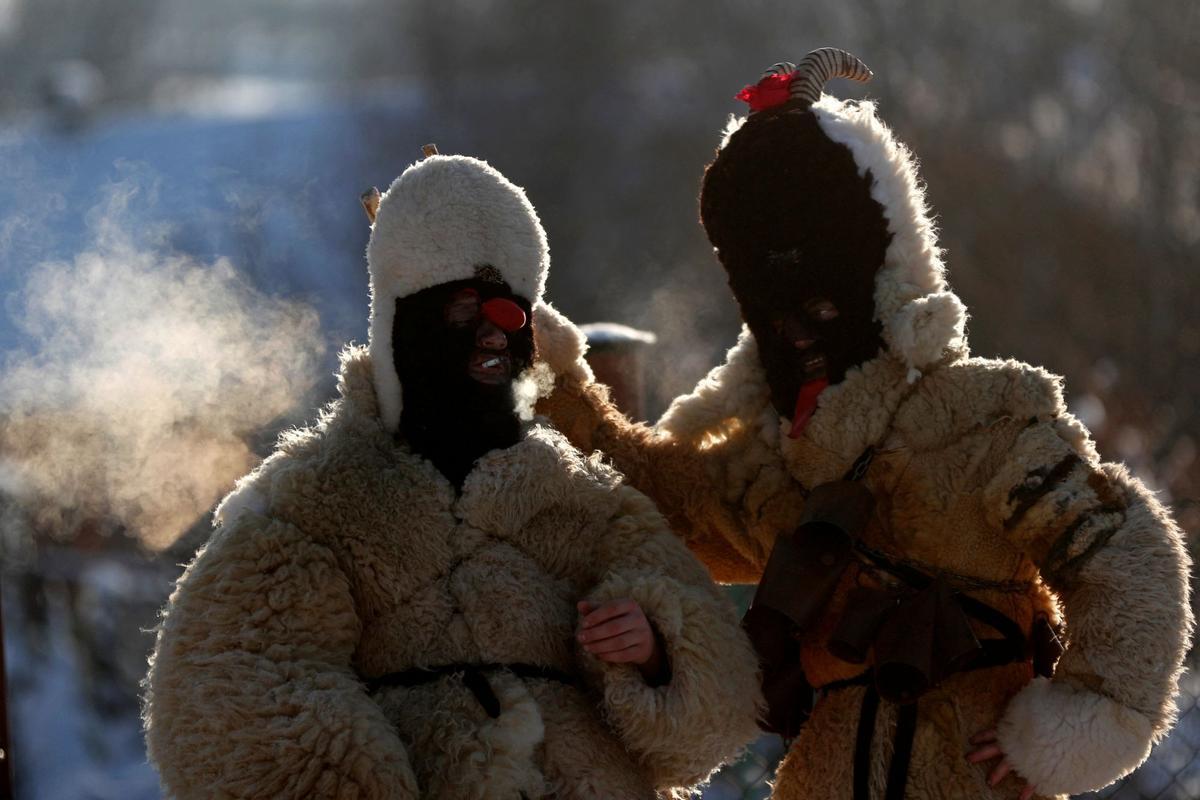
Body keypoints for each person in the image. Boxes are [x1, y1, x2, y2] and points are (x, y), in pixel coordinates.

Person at [534, 49, 1193, 800]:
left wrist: (1079, 722)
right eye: (774, 306)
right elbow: (657, 503)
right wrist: (555, 379)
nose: (802, 334)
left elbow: (1124, 552)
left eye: (820, 305)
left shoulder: (985, 420)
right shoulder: (780, 465)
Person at [141, 151, 761, 799]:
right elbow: (229, 685)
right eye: (467, 310)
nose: (494, 336)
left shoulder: (588, 504)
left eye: (512, 314)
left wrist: (654, 652)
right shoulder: (311, 505)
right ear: (404, 323)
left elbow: (717, 705)